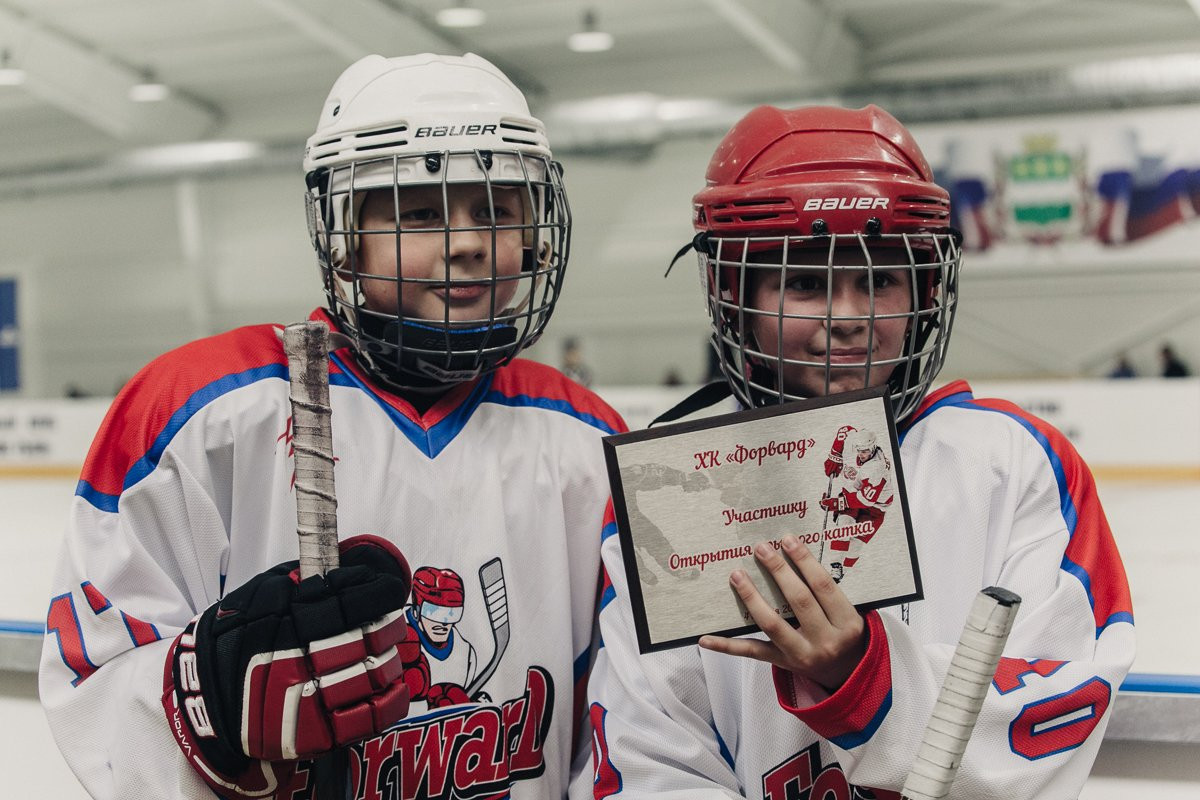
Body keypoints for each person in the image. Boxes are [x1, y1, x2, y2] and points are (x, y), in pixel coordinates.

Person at [39, 53, 625, 800]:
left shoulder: (586, 439)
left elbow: (634, 721)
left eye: (496, 211)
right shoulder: (206, 412)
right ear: (345, 235)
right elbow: (93, 673)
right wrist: (204, 701)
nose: (470, 242)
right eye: (421, 212)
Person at [586, 105, 1133, 798]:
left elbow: (1064, 701)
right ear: (734, 293)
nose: (848, 317)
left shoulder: (1013, 464)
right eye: (805, 283)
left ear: (926, 290)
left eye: (877, 281)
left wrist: (867, 681)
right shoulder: (674, 492)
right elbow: (646, 757)